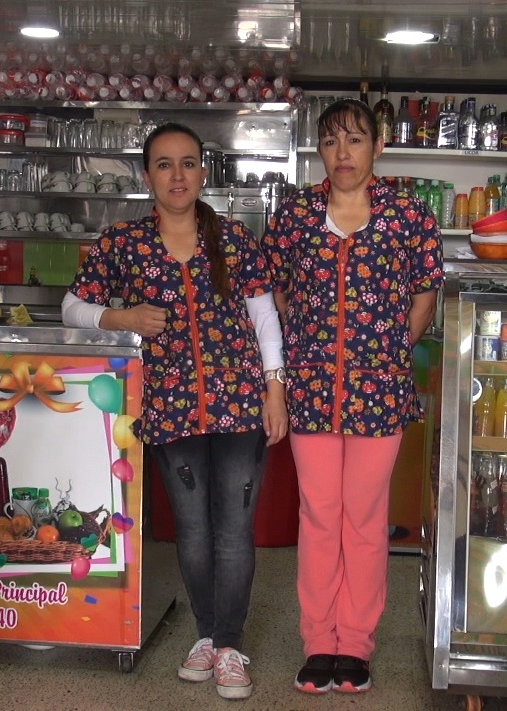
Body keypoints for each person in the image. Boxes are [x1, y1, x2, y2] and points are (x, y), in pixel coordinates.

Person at [63, 122, 288, 700]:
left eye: (188, 163)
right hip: (171, 408)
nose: (178, 175)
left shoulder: (234, 239)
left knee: (234, 530)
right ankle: (206, 636)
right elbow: (72, 307)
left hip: (240, 404)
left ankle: (230, 645)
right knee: (192, 530)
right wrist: (121, 317)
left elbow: (264, 316)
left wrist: (275, 387)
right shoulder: (124, 243)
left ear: (203, 172)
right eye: (164, 164)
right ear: (148, 176)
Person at [260, 98, 443, 694]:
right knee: (318, 516)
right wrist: (304, 344)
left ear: (377, 146)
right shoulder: (295, 216)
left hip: (379, 393)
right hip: (312, 391)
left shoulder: (408, 215)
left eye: (356, 139)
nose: (343, 153)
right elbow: (276, 292)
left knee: (364, 518)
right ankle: (319, 641)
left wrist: (385, 351)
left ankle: (356, 644)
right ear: (319, 149)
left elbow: (423, 297)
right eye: (332, 140)